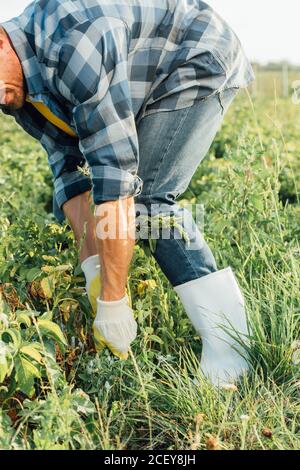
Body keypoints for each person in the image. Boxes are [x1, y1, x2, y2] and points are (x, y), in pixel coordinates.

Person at [0, 0, 255, 386]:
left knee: (148, 203)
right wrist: (94, 271)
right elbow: (72, 174)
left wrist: (114, 301)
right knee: (92, 202)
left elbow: (114, 175)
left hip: (196, 54)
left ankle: (233, 353)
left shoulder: (73, 44)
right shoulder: (16, 88)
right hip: (142, 71)